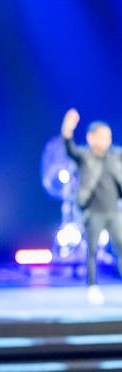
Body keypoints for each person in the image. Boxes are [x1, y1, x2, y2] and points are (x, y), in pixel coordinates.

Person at [62, 108, 122, 305]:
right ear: (91, 138)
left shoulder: (115, 156)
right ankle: (92, 286)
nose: (106, 140)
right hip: (93, 211)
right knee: (92, 250)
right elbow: (70, 148)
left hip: (113, 211)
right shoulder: (85, 156)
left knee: (120, 248)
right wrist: (68, 129)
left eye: (108, 136)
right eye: (102, 136)